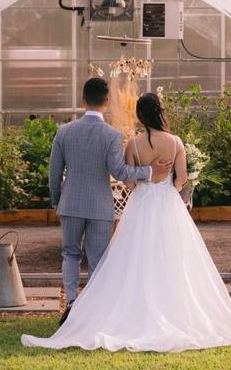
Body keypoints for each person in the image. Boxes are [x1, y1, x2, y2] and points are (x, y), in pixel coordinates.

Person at [22, 91, 231, 352]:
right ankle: (172, 310)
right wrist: (168, 184)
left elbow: (127, 181)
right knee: (174, 259)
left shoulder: (133, 144)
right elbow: (182, 178)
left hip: (140, 205)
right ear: (160, 112)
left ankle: (87, 306)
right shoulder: (176, 142)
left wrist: (144, 181)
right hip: (167, 204)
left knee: (130, 260)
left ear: (140, 115)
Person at [43, 77, 173, 326]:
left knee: (70, 253)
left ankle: (71, 302)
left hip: (70, 203)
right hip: (100, 206)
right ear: (107, 101)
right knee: (98, 259)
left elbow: (54, 172)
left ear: (83, 100)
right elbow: (121, 171)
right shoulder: (112, 135)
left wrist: (56, 201)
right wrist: (149, 171)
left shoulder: (64, 132)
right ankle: (92, 309)